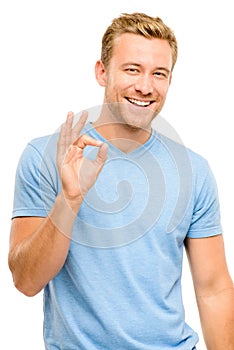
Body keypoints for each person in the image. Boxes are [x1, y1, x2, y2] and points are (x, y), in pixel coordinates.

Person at [8, 12, 234, 350]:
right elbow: (26, 281)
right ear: (102, 71)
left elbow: (214, 288)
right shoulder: (46, 156)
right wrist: (69, 201)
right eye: (132, 69)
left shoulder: (194, 171)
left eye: (159, 74)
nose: (145, 86)